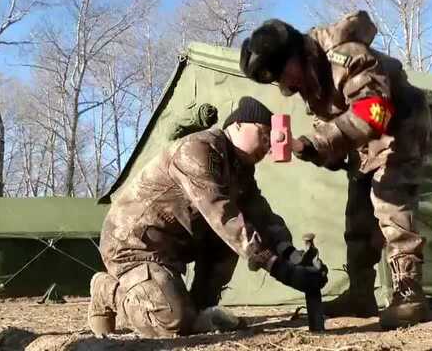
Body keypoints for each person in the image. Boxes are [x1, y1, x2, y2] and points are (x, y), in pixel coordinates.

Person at [240, 11, 432, 329]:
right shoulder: (309, 81)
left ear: (295, 53)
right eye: (274, 79)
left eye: (279, 73)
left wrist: (318, 141)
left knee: (390, 203)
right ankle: (360, 295)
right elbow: (334, 135)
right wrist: (311, 151)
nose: (283, 84)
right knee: (357, 216)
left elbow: (375, 112)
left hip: (401, 128)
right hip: (365, 141)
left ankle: (409, 295)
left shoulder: (345, 55)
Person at [88, 96, 327, 338]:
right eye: (264, 135)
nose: (268, 146)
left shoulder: (240, 168)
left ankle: (200, 305)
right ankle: (107, 290)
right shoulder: (199, 149)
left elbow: (261, 214)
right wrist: (278, 267)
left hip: (175, 245)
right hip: (135, 245)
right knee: (170, 322)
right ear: (238, 125)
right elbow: (222, 214)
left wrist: (291, 254)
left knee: (226, 250)